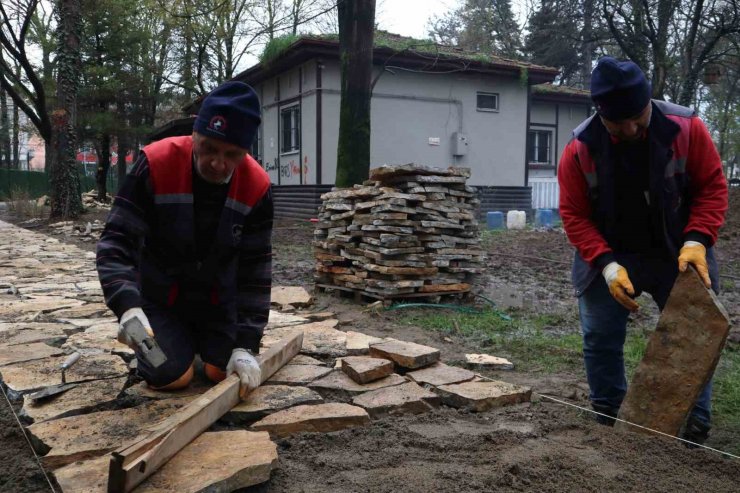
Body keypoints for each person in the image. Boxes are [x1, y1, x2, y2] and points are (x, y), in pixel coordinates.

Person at [558, 57, 728, 444]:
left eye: (639, 117)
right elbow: (574, 214)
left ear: (649, 101)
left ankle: (691, 425)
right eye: (620, 123)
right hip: (611, 251)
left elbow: (712, 187)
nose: (632, 129)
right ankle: (610, 417)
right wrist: (605, 265)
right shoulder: (579, 148)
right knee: (600, 335)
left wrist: (697, 240)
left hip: (677, 249)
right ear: (601, 113)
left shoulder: (686, 128)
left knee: (695, 331)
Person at [97, 81, 273, 399]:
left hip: (218, 304)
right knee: (167, 374)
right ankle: (170, 346)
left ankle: (201, 346)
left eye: (231, 154)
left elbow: (255, 272)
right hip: (157, 301)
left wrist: (247, 344)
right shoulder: (156, 163)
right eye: (208, 148)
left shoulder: (257, 186)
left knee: (226, 373)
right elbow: (116, 240)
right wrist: (127, 306)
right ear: (194, 134)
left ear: (246, 151)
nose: (218, 163)